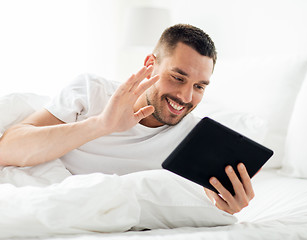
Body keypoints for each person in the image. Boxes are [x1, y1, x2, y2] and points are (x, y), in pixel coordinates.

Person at [0, 24, 254, 215]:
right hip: (46, 203)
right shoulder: (93, 91)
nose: (185, 96)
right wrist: (102, 125)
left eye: (199, 86)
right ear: (150, 64)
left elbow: (196, 202)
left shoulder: (195, 139)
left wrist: (223, 207)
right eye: (177, 78)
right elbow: (7, 149)